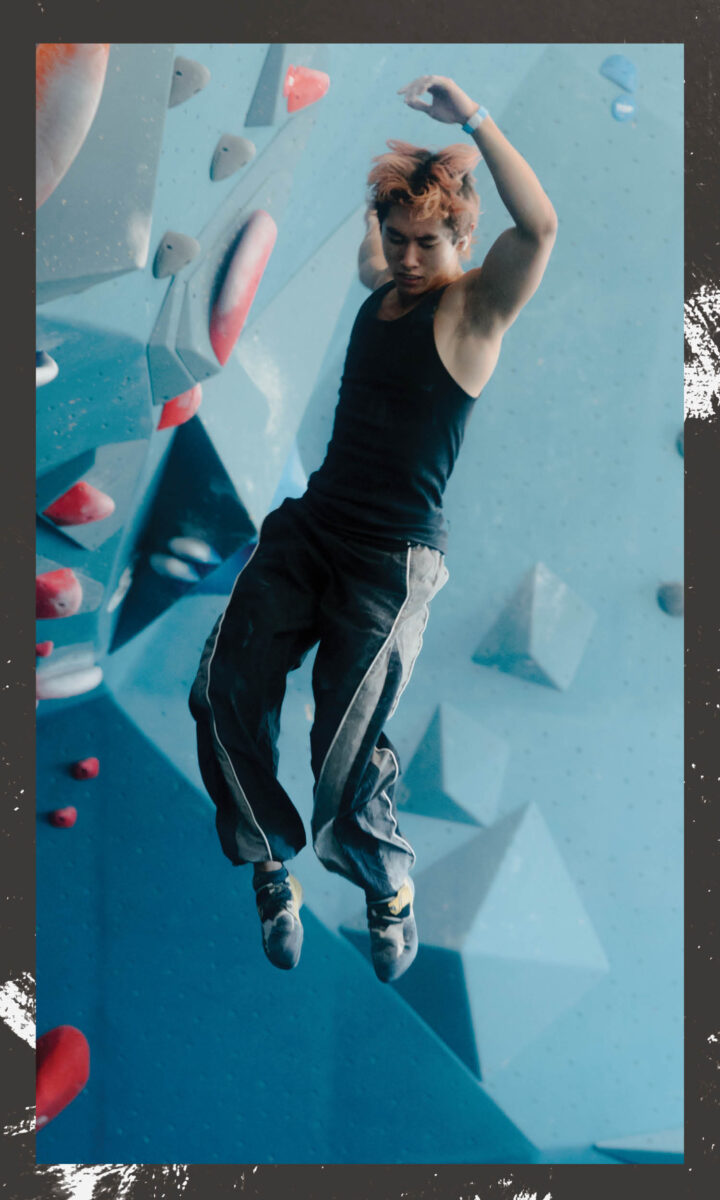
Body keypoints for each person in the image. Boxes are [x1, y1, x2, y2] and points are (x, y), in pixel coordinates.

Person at [188, 74, 557, 982]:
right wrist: (371, 156)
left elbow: (540, 227)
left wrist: (471, 119)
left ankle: (389, 888)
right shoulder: (380, 283)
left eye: (426, 242)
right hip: (311, 528)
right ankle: (272, 871)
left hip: (390, 565)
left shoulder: (473, 308)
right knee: (220, 687)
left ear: (462, 241)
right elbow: (374, 230)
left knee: (341, 755)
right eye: (395, 239)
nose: (405, 257)